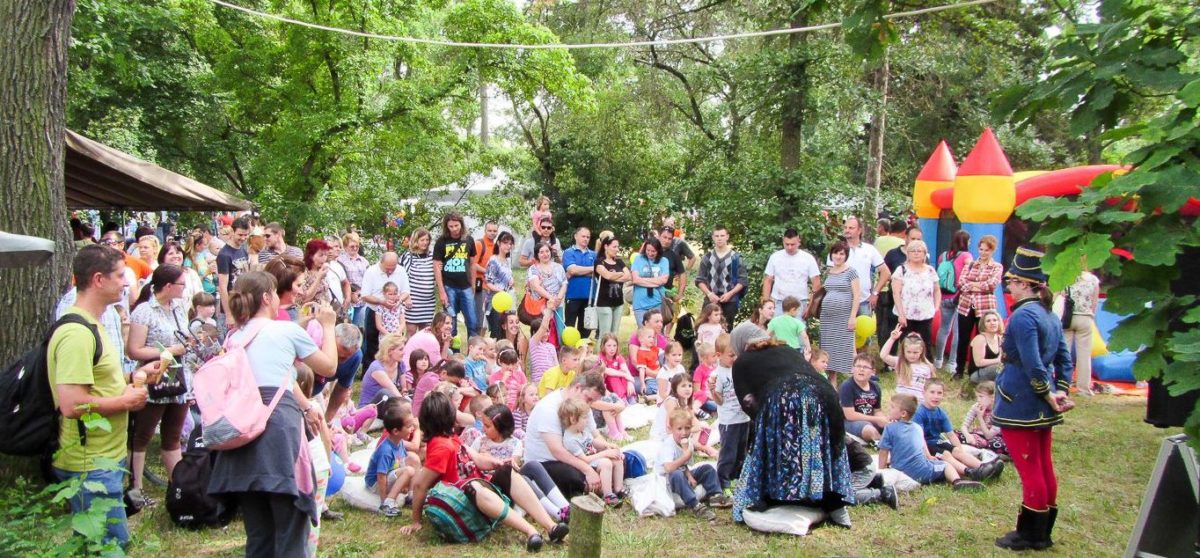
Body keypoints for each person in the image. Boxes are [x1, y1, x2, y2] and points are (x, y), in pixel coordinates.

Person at [207, 271, 338, 557]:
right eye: (276, 293)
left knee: (259, 535)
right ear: (267, 297)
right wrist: (328, 326)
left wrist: (299, 326)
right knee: (291, 532)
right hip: (277, 436)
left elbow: (274, 363)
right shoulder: (286, 331)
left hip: (242, 438)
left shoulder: (234, 337)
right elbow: (328, 367)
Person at [50, 245, 152, 548]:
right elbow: (71, 403)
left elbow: (98, 382)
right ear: (98, 279)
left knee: (97, 546)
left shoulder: (97, 323)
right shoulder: (77, 333)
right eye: (120, 275)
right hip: (89, 463)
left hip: (104, 457)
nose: (126, 283)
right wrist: (126, 401)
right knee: (111, 546)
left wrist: (131, 380)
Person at [400, 392, 568, 551]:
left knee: (506, 471)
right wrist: (416, 521)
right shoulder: (440, 446)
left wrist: (499, 463)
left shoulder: (450, 438)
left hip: (480, 485)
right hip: (466, 496)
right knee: (476, 488)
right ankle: (531, 531)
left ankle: (551, 526)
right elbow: (421, 485)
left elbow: (477, 459)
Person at [729, 322, 853, 527]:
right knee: (819, 451)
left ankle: (758, 499)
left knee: (769, 449)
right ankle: (835, 505)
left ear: (740, 343)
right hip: (826, 396)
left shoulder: (743, 361)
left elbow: (747, 401)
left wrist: (763, 429)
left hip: (786, 398)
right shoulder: (787, 349)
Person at [993, 247, 1074, 551]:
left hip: (1021, 401)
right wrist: (1060, 389)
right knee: (1042, 465)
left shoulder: (1023, 316)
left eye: (1011, 282)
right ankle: (1042, 530)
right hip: (1041, 402)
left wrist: (1046, 392)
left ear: (1025, 284)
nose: (1008, 288)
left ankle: (1031, 534)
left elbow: (1032, 363)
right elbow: (1064, 358)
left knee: (1029, 469)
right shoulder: (1048, 314)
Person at [125, 264, 192, 508]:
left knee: (173, 436)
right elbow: (134, 349)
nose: (185, 289)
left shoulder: (179, 308)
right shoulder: (144, 311)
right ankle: (135, 489)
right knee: (142, 434)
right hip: (154, 377)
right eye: (182, 284)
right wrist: (168, 351)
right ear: (168, 286)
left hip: (178, 377)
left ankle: (179, 488)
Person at [521, 372, 608, 498]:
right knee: (576, 479)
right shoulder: (549, 407)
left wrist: (608, 449)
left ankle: (606, 484)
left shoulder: (582, 406)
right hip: (547, 462)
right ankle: (601, 486)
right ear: (577, 387)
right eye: (589, 399)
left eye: (592, 401)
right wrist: (587, 469)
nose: (589, 405)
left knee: (617, 461)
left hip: (578, 454)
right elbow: (557, 451)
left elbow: (595, 435)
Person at [877, 394, 985, 492]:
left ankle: (961, 478)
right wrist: (928, 456)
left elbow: (883, 451)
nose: (888, 409)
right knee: (946, 465)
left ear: (903, 413)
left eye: (892, 407)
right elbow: (920, 447)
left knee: (944, 464)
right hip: (922, 471)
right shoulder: (918, 428)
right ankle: (957, 481)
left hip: (901, 471)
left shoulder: (890, 428)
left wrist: (882, 471)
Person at [913, 380, 1002, 479]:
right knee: (946, 454)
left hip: (936, 442)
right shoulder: (919, 412)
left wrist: (960, 450)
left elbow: (951, 435)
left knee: (957, 450)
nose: (936, 396)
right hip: (921, 446)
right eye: (932, 392)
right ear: (924, 392)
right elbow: (919, 438)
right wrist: (928, 456)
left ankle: (984, 467)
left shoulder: (941, 413)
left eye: (939, 393)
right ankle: (970, 472)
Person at [659, 408, 732, 522]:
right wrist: (685, 456)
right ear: (671, 429)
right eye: (679, 429)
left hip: (681, 472)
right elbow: (668, 468)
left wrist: (689, 476)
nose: (684, 432)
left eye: (687, 428)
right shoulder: (668, 444)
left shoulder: (688, 442)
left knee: (707, 469)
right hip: (666, 479)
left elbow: (684, 466)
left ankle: (715, 496)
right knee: (677, 474)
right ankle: (695, 505)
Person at [559, 398, 625, 506]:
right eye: (584, 418)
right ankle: (607, 495)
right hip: (586, 465)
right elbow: (584, 459)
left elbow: (593, 442)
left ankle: (618, 489)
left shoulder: (583, 431)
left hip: (594, 458)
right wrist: (605, 453)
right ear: (573, 419)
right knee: (606, 463)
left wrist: (607, 446)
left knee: (617, 459)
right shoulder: (570, 439)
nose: (587, 420)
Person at [954, 234, 1003, 380]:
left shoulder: (996, 266)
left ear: (992, 251)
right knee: (963, 338)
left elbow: (991, 284)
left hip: (985, 307)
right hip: (966, 306)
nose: (982, 253)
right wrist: (978, 286)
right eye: (981, 249)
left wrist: (973, 285)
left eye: (986, 250)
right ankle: (959, 369)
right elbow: (961, 283)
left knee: (981, 338)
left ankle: (974, 370)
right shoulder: (970, 264)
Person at [709, 333, 749, 491]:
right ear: (719, 355)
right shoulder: (718, 375)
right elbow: (719, 401)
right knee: (729, 453)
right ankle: (723, 480)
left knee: (741, 451)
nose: (735, 358)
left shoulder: (738, 369)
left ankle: (737, 477)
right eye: (731, 355)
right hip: (729, 421)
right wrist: (713, 392)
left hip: (743, 418)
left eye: (737, 354)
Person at [361, 252, 412, 372]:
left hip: (395, 313)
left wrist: (398, 301)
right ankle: (369, 371)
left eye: (392, 268)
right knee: (372, 343)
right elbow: (365, 295)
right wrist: (382, 302)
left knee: (395, 345)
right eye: (387, 269)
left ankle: (393, 371)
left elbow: (406, 291)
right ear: (381, 263)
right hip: (375, 310)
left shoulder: (401, 271)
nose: (390, 271)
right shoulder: (372, 271)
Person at [829, 216, 888, 317]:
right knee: (843, 332)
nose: (847, 230)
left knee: (864, 332)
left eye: (851, 228)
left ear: (859, 230)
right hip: (842, 302)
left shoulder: (869, 249)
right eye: (845, 227)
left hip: (864, 301)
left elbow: (886, 272)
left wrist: (875, 293)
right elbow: (830, 274)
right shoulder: (837, 250)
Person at [432, 213, 478, 340]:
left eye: (456, 225)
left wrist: (473, 284)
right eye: (451, 226)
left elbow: (473, 264)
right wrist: (441, 291)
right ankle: (453, 354)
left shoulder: (469, 239)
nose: (454, 229)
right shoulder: (441, 242)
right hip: (449, 286)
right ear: (446, 227)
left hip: (466, 286)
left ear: (461, 224)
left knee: (473, 322)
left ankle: (473, 354)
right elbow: (436, 266)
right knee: (450, 324)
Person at [933, 230, 973, 371]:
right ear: (966, 242)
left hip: (943, 296)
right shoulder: (966, 255)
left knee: (943, 328)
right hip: (958, 296)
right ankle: (951, 363)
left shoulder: (943, 255)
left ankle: (938, 359)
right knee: (957, 331)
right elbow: (971, 266)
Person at [890, 239, 939, 353]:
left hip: (925, 315)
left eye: (919, 251)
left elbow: (937, 290)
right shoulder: (901, 270)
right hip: (906, 316)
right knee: (907, 346)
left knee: (925, 346)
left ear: (924, 253)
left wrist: (936, 308)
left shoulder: (930, 270)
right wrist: (901, 315)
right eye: (913, 251)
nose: (916, 253)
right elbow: (896, 293)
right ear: (908, 253)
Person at [820, 241, 860, 379]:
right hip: (827, 318)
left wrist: (853, 316)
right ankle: (832, 383)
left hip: (844, 317)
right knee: (828, 351)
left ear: (846, 256)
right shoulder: (828, 272)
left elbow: (856, 296)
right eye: (836, 253)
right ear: (831, 255)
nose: (838, 256)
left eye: (842, 254)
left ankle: (853, 379)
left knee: (845, 350)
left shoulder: (851, 272)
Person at [367, 407, 417, 517]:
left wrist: (403, 483)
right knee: (409, 470)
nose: (412, 428)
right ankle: (388, 503)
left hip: (390, 474)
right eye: (409, 426)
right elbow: (381, 476)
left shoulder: (399, 442)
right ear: (395, 431)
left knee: (413, 461)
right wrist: (383, 500)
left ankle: (411, 496)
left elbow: (402, 462)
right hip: (375, 483)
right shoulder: (386, 450)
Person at [696, 225, 748, 329]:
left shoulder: (736, 257)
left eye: (722, 235)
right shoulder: (707, 257)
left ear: (727, 237)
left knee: (726, 330)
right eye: (717, 236)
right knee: (705, 328)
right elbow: (699, 280)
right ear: (713, 237)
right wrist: (709, 294)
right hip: (710, 299)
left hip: (730, 300)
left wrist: (730, 294)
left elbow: (742, 281)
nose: (719, 238)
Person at [761, 228, 821, 319]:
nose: (789, 247)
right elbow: (768, 280)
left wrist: (810, 306)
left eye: (792, 244)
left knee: (798, 332)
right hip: (778, 302)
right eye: (787, 244)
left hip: (799, 303)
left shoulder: (808, 258)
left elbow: (816, 284)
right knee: (776, 332)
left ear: (799, 242)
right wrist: (766, 303)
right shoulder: (775, 257)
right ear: (783, 242)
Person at [1059, 270, 1100, 395]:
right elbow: (1094, 302)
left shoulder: (1066, 276)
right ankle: (1084, 389)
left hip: (1067, 317)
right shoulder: (1093, 279)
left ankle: (1063, 385)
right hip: (1085, 318)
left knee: (1064, 354)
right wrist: (1091, 315)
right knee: (1084, 355)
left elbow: (1059, 296)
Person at [315, 323, 364, 423]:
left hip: (315, 392)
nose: (340, 361)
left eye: (346, 357)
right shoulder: (316, 341)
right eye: (338, 355)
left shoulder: (356, 356)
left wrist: (327, 420)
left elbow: (341, 389)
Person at [839, 354, 888, 443]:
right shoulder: (847, 386)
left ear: (873, 371)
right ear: (853, 369)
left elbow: (877, 410)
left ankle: (886, 440)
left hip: (870, 419)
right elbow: (850, 415)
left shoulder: (875, 387)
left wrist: (883, 420)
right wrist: (876, 419)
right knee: (869, 431)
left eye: (865, 367)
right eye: (858, 366)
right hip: (850, 421)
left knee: (891, 426)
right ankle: (882, 443)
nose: (861, 369)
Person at [526, 241, 567, 343]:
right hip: (542, 305)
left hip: (558, 304)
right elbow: (535, 286)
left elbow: (564, 283)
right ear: (537, 255)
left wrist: (558, 298)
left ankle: (558, 355)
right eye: (541, 252)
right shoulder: (533, 268)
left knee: (560, 331)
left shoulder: (558, 267)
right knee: (543, 330)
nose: (545, 254)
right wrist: (551, 298)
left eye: (547, 251)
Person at [400, 228, 437, 337]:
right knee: (411, 331)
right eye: (422, 240)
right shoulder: (408, 256)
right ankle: (408, 353)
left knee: (425, 333)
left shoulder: (432, 256)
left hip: (428, 302)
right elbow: (402, 278)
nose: (425, 243)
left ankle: (422, 354)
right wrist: (406, 297)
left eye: (427, 240)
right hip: (413, 301)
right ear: (415, 241)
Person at [561, 227, 597, 339]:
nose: (586, 239)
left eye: (588, 237)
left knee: (585, 328)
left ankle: (582, 351)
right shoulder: (568, 252)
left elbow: (598, 272)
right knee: (569, 326)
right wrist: (592, 269)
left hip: (589, 297)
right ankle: (568, 352)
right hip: (573, 295)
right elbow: (572, 270)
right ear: (576, 236)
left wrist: (579, 271)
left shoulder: (594, 254)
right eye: (583, 236)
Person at [592, 233, 630, 338]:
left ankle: (613, 354)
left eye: (618, 246)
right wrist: (620, 274)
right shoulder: (599, 262)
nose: (617, 249)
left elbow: (628, 276)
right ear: (606, 246)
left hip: (618, 302)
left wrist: (615, 276)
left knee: (615, 334)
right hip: (604, 303)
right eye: (614, 246)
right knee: (605, 334)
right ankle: (601, 354)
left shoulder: (619, 261)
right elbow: (607, 276)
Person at [960, 381, 1008, 456]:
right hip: (978, 435)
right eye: (977, 397)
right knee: (956, 435)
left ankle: (979, 450)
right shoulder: (976, 406)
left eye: (981, 396)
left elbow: (989, 436)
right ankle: (979, 450)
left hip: (995, 438)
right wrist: (967, 436)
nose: (978, 400)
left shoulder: (1000, 411)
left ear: (992, 397)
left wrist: (980, 417)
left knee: (995, 444)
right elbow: (964, 426)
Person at [630, 237, 670, 327]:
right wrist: (656, 282)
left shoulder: (664, 261)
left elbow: (664, 280)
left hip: (657, 302)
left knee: (658, 332)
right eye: (648, 250)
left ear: (658, 251)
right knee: (644, 333)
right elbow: (635, 279)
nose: (650, 253)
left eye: (653, 251)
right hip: (640, 303)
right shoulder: (638, 259)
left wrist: (642, 280)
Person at [216, 217, 251, 322]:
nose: (243, 238)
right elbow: (222, 287)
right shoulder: (224, 255)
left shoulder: (243, 251)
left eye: (246, 235)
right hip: (231, 306)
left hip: (244, 304)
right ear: (232, 231)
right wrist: (228, 314)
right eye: (240, 235)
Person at [360, 334, 408, 406]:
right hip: (370, 409)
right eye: (400, 349)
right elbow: (395, 393)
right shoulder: (376, 368)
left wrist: (405, 392)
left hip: (389, 406)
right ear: (389, 351)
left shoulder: (400, 364)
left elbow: (404, 389)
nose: (404, 352)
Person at [484, 231, 516, 338]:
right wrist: (500, 291)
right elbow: (488, 282)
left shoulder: (507, 260)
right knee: (497, 332)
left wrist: (511, 282)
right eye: (505, 243)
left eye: (510, 243)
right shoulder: (493, 260)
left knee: (506, 331)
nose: (508, 246)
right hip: (495, 302)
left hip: (507, 300)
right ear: (498, 243)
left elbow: (506, 278)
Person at [656, 227, 688, 328]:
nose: (666, 241)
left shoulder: (673, 255)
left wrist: (680, 293)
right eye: (664, 237)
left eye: (669, 239)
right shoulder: (650, 251)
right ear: (659, 236)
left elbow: (682, 274)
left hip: (666, 295)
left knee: (662, 323)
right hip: (649, 293)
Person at [472, 221, 500, 336]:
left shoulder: (497, 246)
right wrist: (488, 272)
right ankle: (476, 346)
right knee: (480, 320)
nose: (492, 233)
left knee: (492, 321)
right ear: (485, 231)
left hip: (494, 288)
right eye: (490, 230)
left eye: (495, 231)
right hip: (482, 287)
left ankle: (483, 346)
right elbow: (473, 264)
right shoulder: (479, 244)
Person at [159, 239, 203, 311]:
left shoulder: (191, 274)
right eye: (170, 254)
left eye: (178, 253)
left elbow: (200, 296)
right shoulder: (157, 275)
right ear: (163, 257)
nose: (175, 256)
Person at [338, 232, 370, 328]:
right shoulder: (340, 260)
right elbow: (343, 280)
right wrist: (352, 293)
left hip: (363, 298)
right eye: (352, 246)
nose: (355, 248)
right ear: (345, 246)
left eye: (357, 246)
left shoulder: (364, 261)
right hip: (348, 298)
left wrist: (362, 292)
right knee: (348, 328)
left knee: (361, 328)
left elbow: (369, 278)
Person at [968, 310, 1005, 384]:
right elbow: (979, 362)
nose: (992, 323)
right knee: (999, 368)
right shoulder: (980, 338)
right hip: (977, 375)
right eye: (988, 321)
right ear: (983, 325)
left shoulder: (1000, 338)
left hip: (994, 372)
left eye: (995, 320)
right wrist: (998, 360)